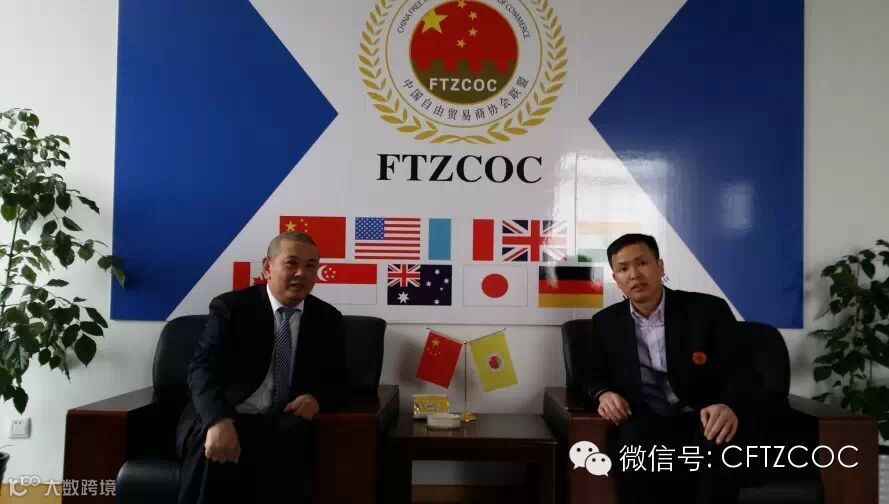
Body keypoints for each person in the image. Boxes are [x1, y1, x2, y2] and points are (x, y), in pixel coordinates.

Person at [582, 234, 762, 504]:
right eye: (623, 268)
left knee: (716, 446)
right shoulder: (605, 323)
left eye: (642, 263)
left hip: (702, 415)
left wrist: (728, 404)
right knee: (634, 450)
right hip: (644, 419)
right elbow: (591, 375)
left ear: (660, 266)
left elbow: (742, 369)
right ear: (616, 278)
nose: (634, 274)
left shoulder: (707, 310)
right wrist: (603, 394)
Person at [176, 231, 346, 504]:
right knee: (211, 445)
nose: (301, 273)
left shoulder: (327, 318)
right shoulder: (231, 308)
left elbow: (338, 378)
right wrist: (218, 420)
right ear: (267, 267)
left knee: (293, 445)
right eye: (291, 263)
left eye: (310, 266)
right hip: (227, 412)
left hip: (282, 421)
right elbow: (203, 368)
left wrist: (316, 397)